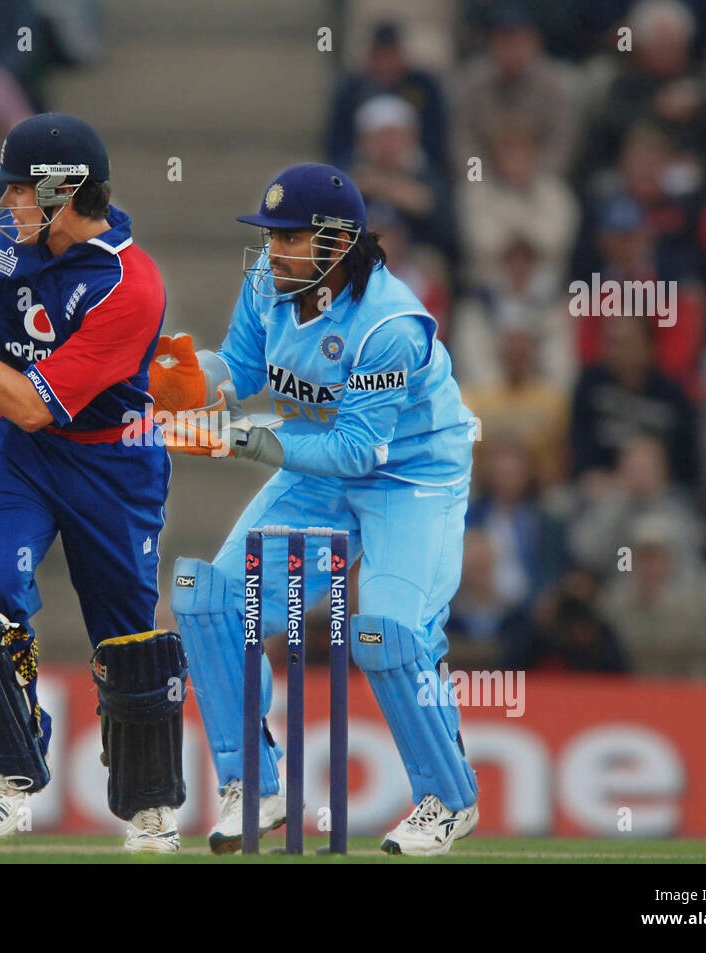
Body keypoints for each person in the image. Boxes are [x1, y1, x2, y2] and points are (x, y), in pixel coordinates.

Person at [0, 114, 188, 853]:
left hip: (109, 459)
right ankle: (13, 771)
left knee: (130, 640)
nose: (7, 201)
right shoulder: (3, 249)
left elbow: (34, 400)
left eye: (19, 187)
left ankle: (149, 802)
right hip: (15, 450)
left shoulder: (130, 286)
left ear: (63, 192)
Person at [155, 163, 480, 855]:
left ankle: (448, 799)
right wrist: (195, 377)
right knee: (208, 602)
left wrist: (242, 438)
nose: (273, 252)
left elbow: (361, 450)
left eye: (290, 238)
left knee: (386, 630)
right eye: (270, 237)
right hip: (312, 459)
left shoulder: (391, 324)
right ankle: (258, 785)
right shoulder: (268, 286)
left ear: (337, 243)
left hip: (412, 476)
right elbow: (243, 370)